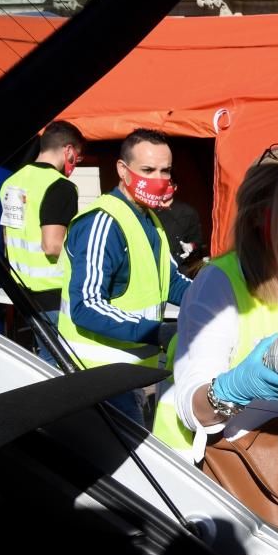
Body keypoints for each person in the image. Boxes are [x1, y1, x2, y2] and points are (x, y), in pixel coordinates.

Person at [151, 144, 278, 463]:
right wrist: (236, 388)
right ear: (259, 212)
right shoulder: (219, 282)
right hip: (225, 469)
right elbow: (194, 411)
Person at [58, 128, 191, 426]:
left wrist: (214, 297)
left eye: (165, 170)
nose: (158, 179)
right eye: (147, 170)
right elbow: (86, 306)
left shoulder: (150, 219)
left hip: (132, 372)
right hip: (97, 376)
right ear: (122, 169)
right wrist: (157, 332)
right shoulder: (102, 223)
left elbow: (170, 281)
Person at [0, 120, 84, 366]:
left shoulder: (11, 183)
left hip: (23, 289)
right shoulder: (60, 186)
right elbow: (52, 245)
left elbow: (9, 236)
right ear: (68, 150)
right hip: (54, 291)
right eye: (76, 158)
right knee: (64, 366)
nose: (75, 165)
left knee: (45, 362)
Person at [153, 192, 206, 277]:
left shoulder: (187, 212)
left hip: (181, 266)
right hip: (156, 265)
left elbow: (198, 240)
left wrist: (191, 246)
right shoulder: (149, 211)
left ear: (175, 188)